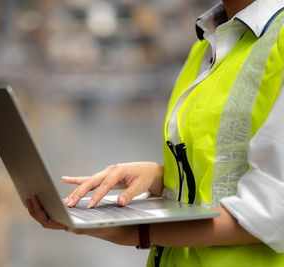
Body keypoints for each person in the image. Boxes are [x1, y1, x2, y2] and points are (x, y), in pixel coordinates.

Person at [26, 0, 284, 266]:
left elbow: (273, 211)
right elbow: (219, 173)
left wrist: (136, 231)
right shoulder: (206, 46)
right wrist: (161, 177)